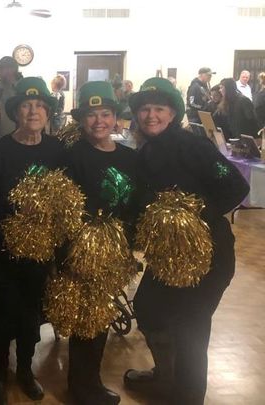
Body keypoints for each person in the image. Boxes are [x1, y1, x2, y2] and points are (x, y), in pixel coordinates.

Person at [124, 77, 249, 404]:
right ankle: (167, 377)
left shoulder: (194, 146)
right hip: (167, 259)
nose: (151, 115)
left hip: (210, 256)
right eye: (145, 109)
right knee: (148, 308)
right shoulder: (145, 151)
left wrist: (192, 218)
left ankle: (188, 397)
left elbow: (237, 187)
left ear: (173, 113)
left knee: (191, 330)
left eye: (159, 109)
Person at [0, 77, 66, 405]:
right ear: (16, 111)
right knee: (1, 311)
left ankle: (25, 371)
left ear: (47, 113)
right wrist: (16, 209)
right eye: (27, 106)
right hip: (0, 249)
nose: (33, 111)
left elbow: (69, 200)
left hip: (41, 252)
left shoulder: (58, 152)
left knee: (30, 313)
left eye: (40, 106)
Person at [64, 81, 139, 405]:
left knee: (103, 314)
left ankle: (88, 382)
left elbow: (134, 205)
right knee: (86, 319)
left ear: (115, 118)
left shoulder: (129, 158)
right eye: (91, 115)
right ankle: (82, 387)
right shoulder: (71, 155)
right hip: (82, 250)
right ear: (82, 120)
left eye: (105, 114)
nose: (99, 122)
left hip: (115, 250)